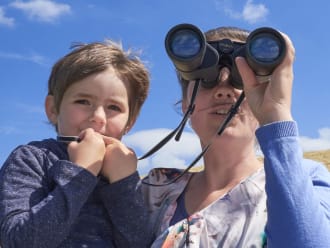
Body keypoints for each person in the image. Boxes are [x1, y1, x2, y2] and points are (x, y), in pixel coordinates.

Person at [141, 26, 330, 247]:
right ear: (185, 104)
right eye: (205, 80)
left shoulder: (306, 178)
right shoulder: (155, 191)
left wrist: (276, 115)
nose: (223, 91)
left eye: (240, 80)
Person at [0, 40, 152, 247]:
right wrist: (81, 172)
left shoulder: (123, 171)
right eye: (83, 101)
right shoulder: (31, 158)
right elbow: (18, 241)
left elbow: (142, 243)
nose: (98, 117)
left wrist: (123, 183)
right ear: (53, 109)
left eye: (114, 107)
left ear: (130, 122)